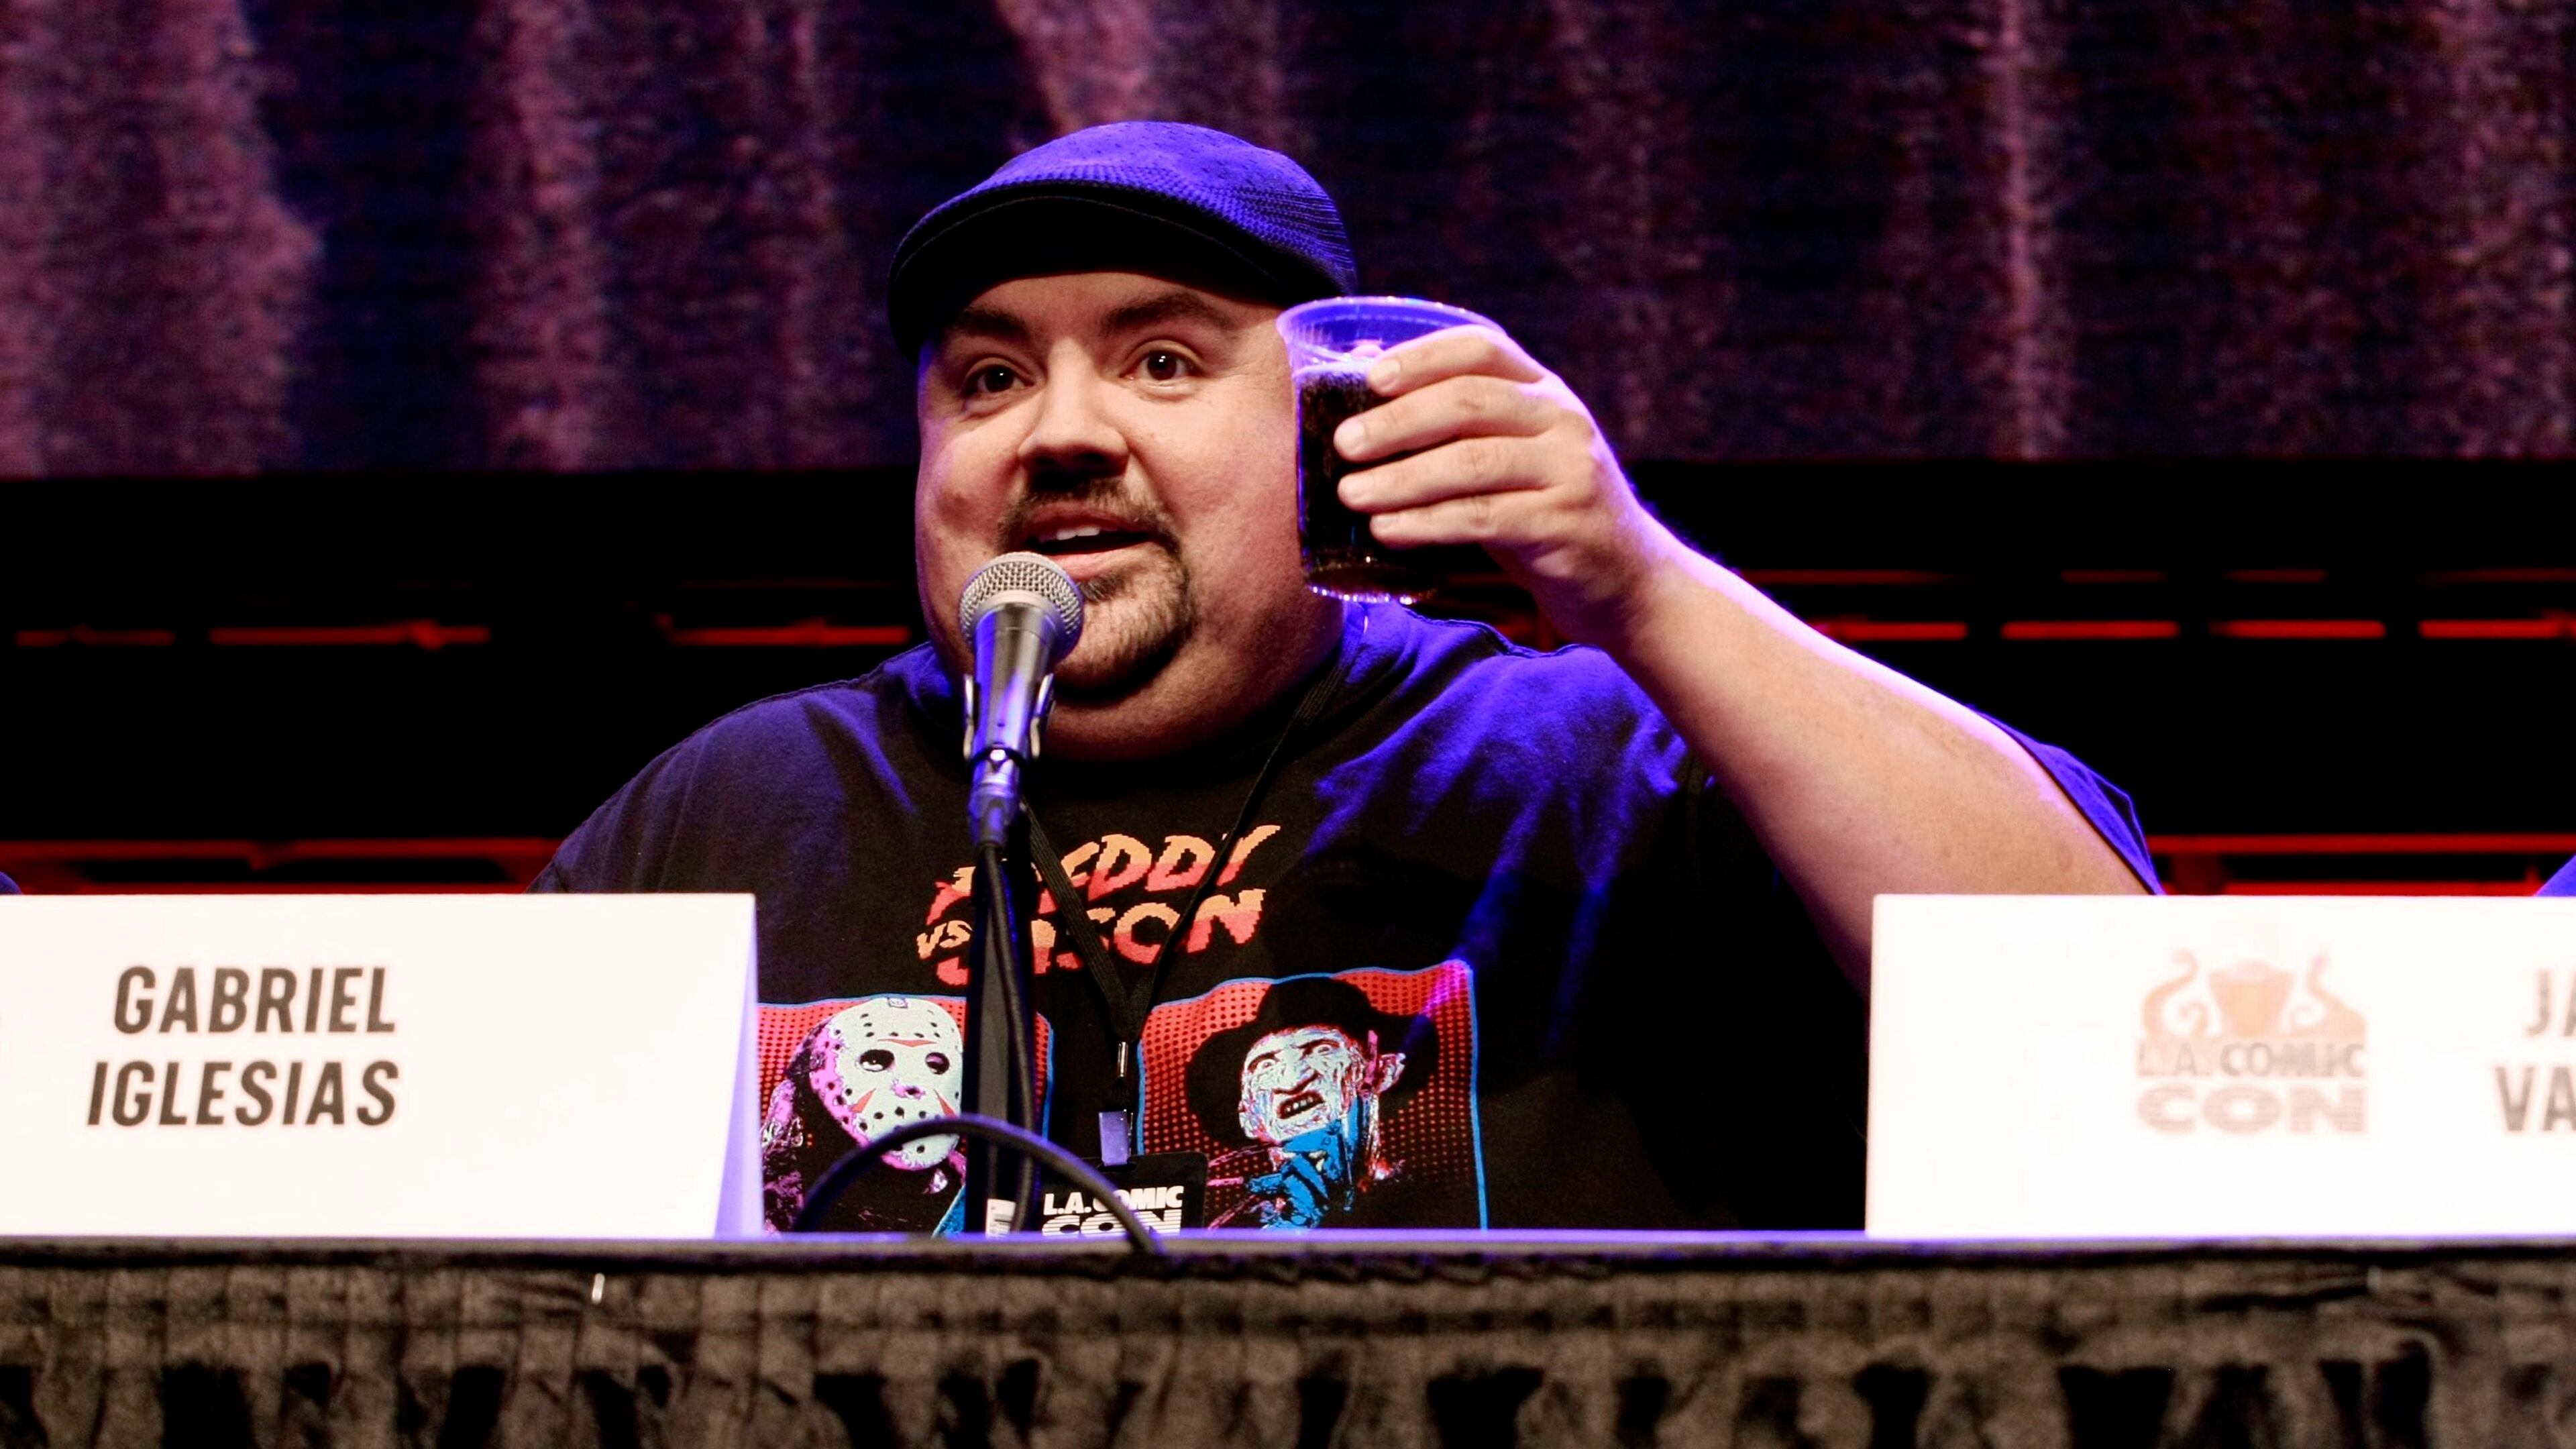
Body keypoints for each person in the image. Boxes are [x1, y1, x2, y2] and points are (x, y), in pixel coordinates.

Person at [536, 121, 2155, 1233]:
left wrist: (1644, 587)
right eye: (989, 377)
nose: (1063, 431)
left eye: (1165, 360)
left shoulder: (1581, 761)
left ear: (1334, 420)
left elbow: (2107, 1025)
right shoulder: (722, 816)